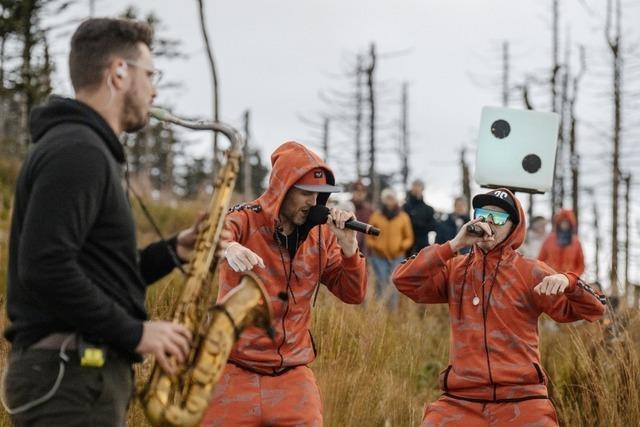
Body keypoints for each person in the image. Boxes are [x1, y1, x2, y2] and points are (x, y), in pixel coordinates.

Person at [2, 18, 200, 426]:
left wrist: (175, 249)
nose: (155, 89)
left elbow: (100, 274)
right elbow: (45, 268)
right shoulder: (78, 151)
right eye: (150, 74)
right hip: (71, 375)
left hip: (76, 376)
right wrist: (137, 333)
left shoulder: (83, 149)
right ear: (119, 72)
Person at [393, 188, 605, 426]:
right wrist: (453, 244)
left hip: (523, 398)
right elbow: (403, 280)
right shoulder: (454, 269)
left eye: (499, 217)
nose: (489, 222)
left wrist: (570, 282)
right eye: (483, 213)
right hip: (461, 399)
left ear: (513, 228)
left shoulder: (530, 271)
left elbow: (596, 309)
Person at [200, 141, 367, 426]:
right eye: (304, 194)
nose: (312, 203)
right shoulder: (245, 219)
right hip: (231, 368)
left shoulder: (321, 237)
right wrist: (229, 248)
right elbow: (209, 235)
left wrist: (349, 249)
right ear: (282, 190)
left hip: (292, 374)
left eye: (318, 196)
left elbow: (353, 294)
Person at [366, 188, 414, 309]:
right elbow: (369, 237)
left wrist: (401, 246)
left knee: (394, 283)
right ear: (383, 200)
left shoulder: (403, 217)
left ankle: (393, 312)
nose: (389, 201)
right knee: (381, 282)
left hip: (397, 256)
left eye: (391, 198)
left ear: (395, 200)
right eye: (387, 198)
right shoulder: (376, 216)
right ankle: (379, 310)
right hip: (379, 257)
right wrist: (376, 246)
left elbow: (409, 238)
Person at [538, 209, 585, 276]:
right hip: (550, 278)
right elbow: (540, 260)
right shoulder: (549, 239)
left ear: (571, 224)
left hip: (568, 281)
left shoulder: (576, 242)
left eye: (567, 223)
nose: (564, 225)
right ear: (558, 223)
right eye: (562, 222)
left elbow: (581, 265)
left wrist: (572, 278)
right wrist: (545, 274)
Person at [404, 178, 437, 255]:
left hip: (423, 246)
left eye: (418, 186)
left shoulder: (428, 209)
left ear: (422, 189)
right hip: (407, 247)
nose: (416, 188)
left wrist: (419, 225)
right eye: (414, 186)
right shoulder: (405, 207)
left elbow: (433, 226)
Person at [350, 180, 373, 253]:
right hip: (347, 249)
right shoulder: (345, 208)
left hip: (366, 253)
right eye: (357, 190)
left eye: (362, 191)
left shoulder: (370, 211)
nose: (360, 193)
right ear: (353, 192)